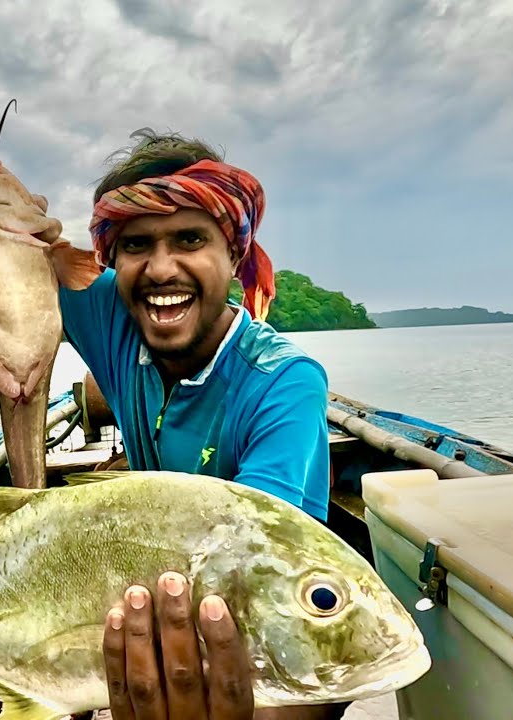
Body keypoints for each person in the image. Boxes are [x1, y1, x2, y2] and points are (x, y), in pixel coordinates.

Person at [57, 130, 343, 719]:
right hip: (152, 580)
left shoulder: (282, 384)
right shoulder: (111, 313)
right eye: (137, 244)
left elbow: (257, 582)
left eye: (190, 238)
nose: (162, 269)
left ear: (234, 255)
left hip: (237, 609)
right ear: (112, 261)